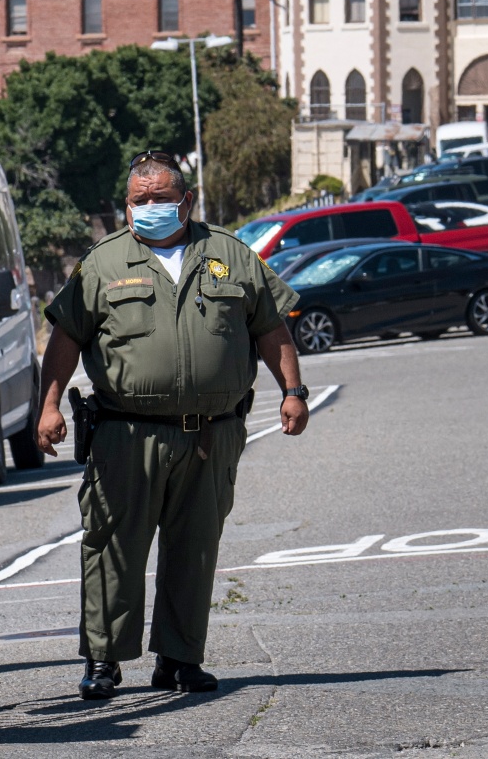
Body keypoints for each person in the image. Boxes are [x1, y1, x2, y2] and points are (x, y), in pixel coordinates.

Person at [35, 150, 308, 701]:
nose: (151, 208)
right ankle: (105, 661)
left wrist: (294, 392)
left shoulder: (229, 255)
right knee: (113, 546)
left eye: (162, 198)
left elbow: (271, 326)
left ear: (186, 201)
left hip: (210, 434)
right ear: (127, 206)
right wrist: (48, 406)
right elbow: (65, 338)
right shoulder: (103, 263)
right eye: (140, 200)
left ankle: (180, 660)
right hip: (125, 433)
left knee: (195, 547)